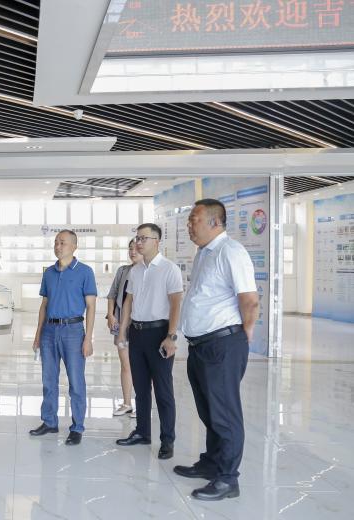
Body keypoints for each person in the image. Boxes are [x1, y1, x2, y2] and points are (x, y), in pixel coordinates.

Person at [174, 199, 258, 501]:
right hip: (201, 346)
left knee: (225, 414)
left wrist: (243, 335)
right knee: (208, 410)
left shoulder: (230, 251)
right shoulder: (204, 253)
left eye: (194, 219)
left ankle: (227, 479)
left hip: (222, 344)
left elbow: (249, 300)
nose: (189, 225)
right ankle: (211, 463)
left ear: (214, 222)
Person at [116, 223, 183, 460]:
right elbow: (128, 302)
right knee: (141, 388)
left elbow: (176, 303)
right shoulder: (135, 271)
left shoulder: (169, 269)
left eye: (143, 238)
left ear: (157, 241)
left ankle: (167, 440)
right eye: (137, 238)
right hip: (137, 333)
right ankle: (142, 432)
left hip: (159, 333)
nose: (138, 242)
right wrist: (123, 331)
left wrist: (171, 336)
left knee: (163, 390)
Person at [29, 230, 97, 446]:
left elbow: (91, 306)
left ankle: (77, 427)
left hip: (73, 331)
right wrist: (38, 334)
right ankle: (49, 421)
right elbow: (44, 305)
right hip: (49, 331)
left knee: (76, 382)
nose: (58, 246)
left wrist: (88, 339)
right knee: (48, 380)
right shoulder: (48, 273)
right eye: (56, 242)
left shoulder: (85, 272)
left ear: (74, 246)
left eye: (63, 243)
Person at [105, 239, 143, 418]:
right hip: (121, 324)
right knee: (126, 365)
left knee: (142, 367)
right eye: (130, 248)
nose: (133, 252)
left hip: (142, 324)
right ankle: (127, 403)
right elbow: (112, 295)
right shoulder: (123, 271)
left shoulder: (149, 271)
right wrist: (111, 315)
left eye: (136, 249)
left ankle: (142, 405)